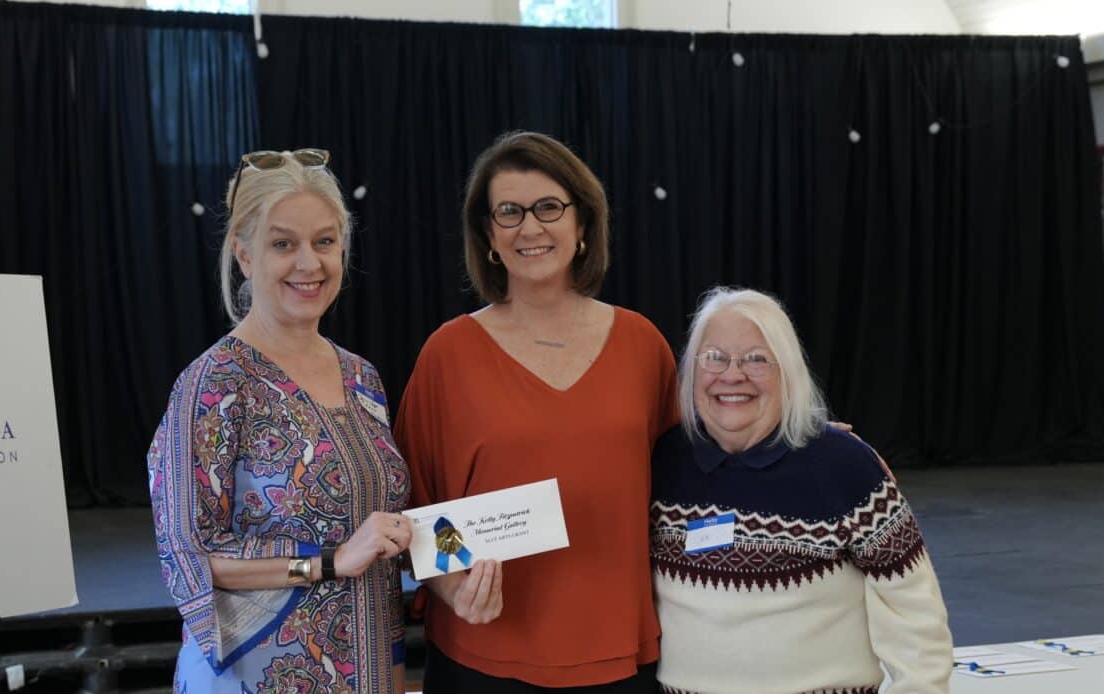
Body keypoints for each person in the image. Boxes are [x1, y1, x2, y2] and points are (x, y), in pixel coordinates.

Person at [394, 131, 679, 692]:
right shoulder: (448, 354)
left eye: (549, 207)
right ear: (489, 235)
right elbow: (409, 504)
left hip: (618, 651)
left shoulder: (643, 345)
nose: (530, 228)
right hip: (483, 654)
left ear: (583, 223)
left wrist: (792, 445)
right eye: (509, 212)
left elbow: (688, 477)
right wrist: (451, 584)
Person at [147, 149, 412, 693]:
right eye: (283, 244)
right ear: (244, 255)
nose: (309, 264)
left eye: (324, 241)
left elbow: (378, 553)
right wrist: (327, 562)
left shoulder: (362, 376)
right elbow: (192, 555)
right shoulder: (214, 382)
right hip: (257, 675)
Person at [650, 287, 952, 694]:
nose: (732, 375)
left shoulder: (843, 466)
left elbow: (914, 611)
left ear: (788, 372)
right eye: (715, 357)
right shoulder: (663, 463)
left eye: (756, 359)